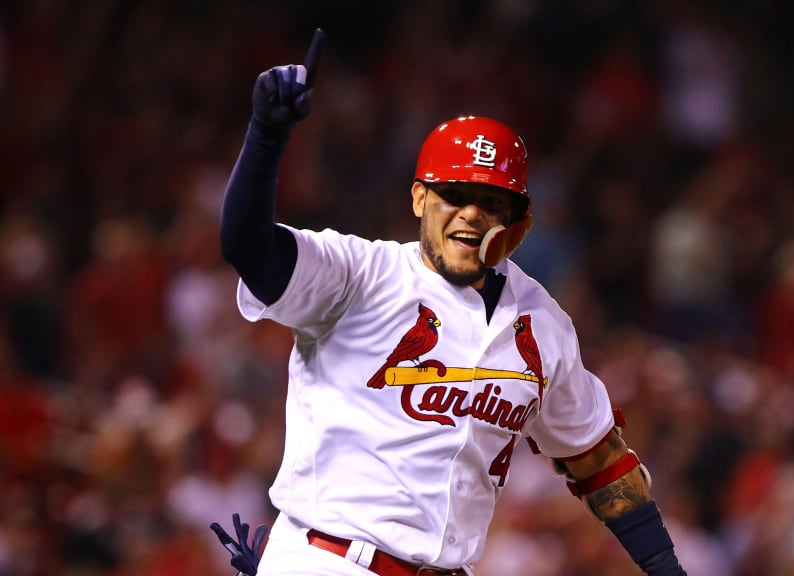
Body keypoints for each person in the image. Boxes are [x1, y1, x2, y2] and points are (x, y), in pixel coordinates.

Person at [212, 29, 688, 576]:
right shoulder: (360, 273)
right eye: (453, 195)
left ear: (517, 220)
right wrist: (265, 138)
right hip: (332, 559)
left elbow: (601, 462)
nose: (470, 213)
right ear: (419, 197)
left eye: (490, 201)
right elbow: (246, 248)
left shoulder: (544, 324)